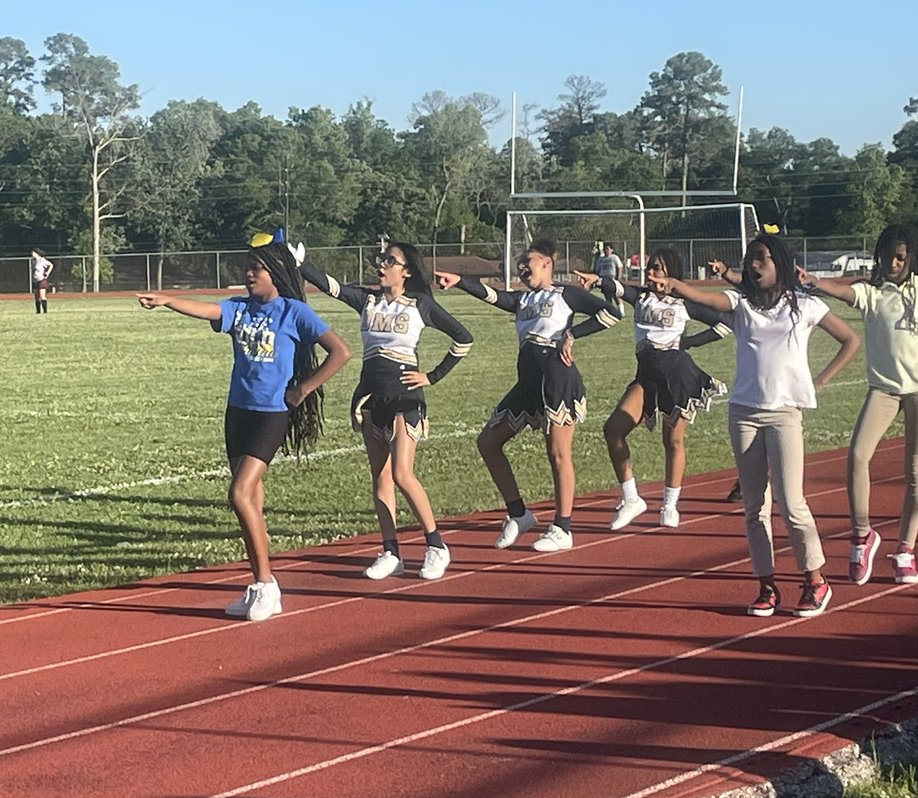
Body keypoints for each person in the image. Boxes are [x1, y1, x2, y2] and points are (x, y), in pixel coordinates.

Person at [138, 231, 351, 620]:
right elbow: (208, 310)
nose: (249, 274)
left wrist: (303, 389)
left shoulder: (293, 312)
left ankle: (266, 584)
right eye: (247, 268)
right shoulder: (240, 308)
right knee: (251, 499)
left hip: (272, 414)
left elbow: (341, 351)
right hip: (238, 411)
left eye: (257, 268)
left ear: (276, 273)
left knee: (238, 493)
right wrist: (168, 300)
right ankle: (260, 584)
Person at [652, 234, 860, 617]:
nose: (754, 264)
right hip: (744, 413)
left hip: (784, 415)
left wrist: (821, 381)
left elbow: (850, 339)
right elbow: (709, 299)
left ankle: (816, 580)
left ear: (780, 262)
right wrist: (675, 286)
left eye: (762, 258)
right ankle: (767, 586)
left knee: (791, 502)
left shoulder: (805, 306)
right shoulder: (740, 304)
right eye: (751, 259)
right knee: (754, 507)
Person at [298, 241, 472, 580]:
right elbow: (331, 287)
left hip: (404, 396)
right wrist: (300, 263)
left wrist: (432, 376)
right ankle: (391, 550)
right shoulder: (368, 300)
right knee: (380, 478)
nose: (382, 264)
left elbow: (463, 338)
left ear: (406, 271)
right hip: (370, 395)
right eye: (381, 259)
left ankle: (436, 545)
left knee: (402, 474)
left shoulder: (420, 304)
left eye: (389, 260)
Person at [434, 239, 622, 552]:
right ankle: (519, 514)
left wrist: (572, 334)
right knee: (488, 442)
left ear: (547, 264)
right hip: (528, 382)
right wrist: (460, 282)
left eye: (529, 261)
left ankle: (563, 527)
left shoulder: (566, 293)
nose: (523, 267)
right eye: (520, 263)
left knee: (558, 453)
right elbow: (495, 296)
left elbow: (612, 314)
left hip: (557, 378)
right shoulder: (523, 299)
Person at [797, 225, 918, 586]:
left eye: (901, 258)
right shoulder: (873, 293)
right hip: (884, 390)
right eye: (887, 256)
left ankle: (905, 550)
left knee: (916, 471)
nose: (893, 263)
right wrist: (814, 282)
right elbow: (843, 292)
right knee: (857, 455)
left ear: (912, 259)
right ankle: (862, 535)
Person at [574, 247, 729, 530]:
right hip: (646, 377)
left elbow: (724, 324)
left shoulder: (684, 302)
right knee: (613, 430)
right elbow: (616, 286)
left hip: (678, 376)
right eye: (649, 267)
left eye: (657, 267)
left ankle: (669, 505)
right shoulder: (641, 296)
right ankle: (632, 498)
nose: (651, 272)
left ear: (671, 272)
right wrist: (595, 280)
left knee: (672, 441)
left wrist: (690, 342)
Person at [31, 249, 53, 314]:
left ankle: (45, 311)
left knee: (42, 296)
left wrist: (47, 273)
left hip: (41, 280)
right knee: (36, 296)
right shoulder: (33, 261)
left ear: (37, 253)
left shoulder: (42, 260)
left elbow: (51, 265)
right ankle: (38, 311)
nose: (32, 254)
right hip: (35, 280)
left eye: (33, 253)